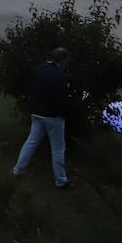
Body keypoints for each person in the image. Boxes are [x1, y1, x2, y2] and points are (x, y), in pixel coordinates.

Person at [11, 47, 72, 189]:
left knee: (31, 141)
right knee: (58, 148)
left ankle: (18, 170)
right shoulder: (60, 76)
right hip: (53, 116)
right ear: (62, 60)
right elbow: (62, 98)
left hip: (37, 112)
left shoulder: (39, 69)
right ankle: (61, 181)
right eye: (67, 61)